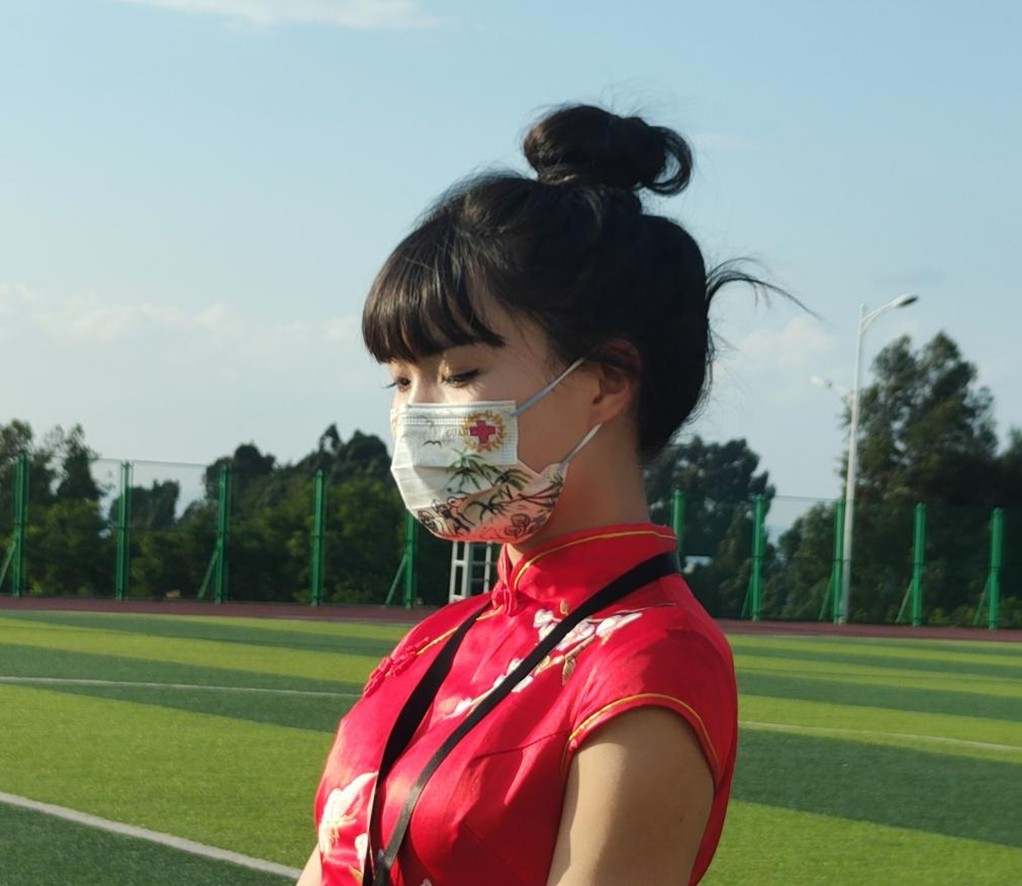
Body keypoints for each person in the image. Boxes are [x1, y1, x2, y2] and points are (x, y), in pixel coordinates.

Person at [298, 103, 765, 886]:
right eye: (400, 381)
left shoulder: (649, 662)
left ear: (607, 382)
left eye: (460, 373)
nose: (416, 416)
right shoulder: (438, 640)